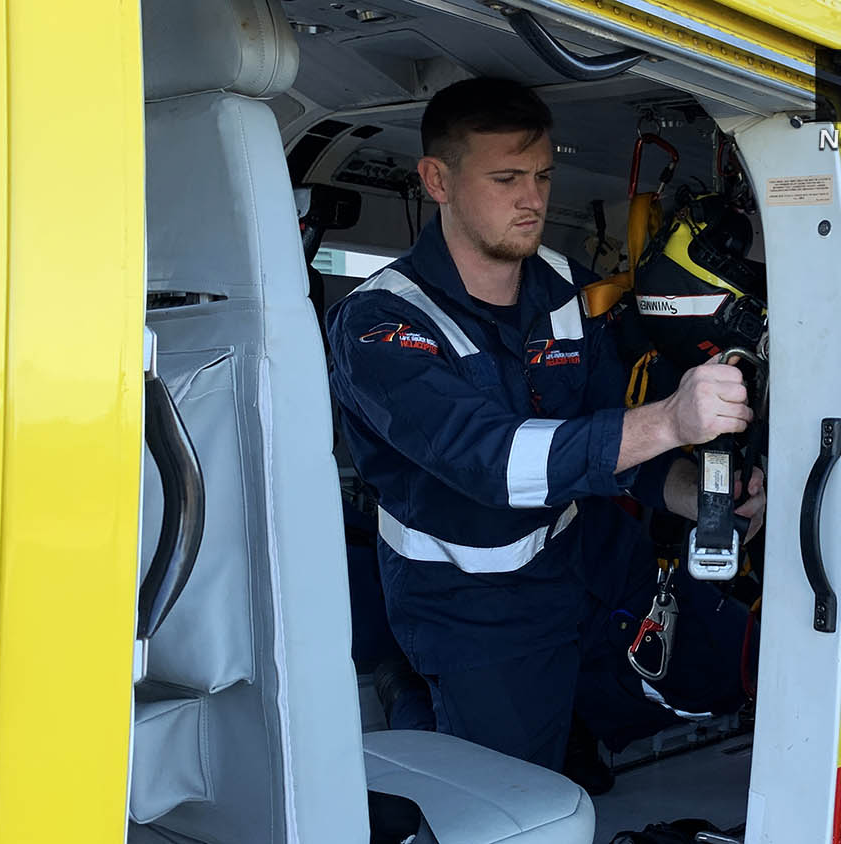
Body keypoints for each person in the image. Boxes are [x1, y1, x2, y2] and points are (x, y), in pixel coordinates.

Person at [325, 77, 764, 779]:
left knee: (727, 667)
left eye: (541, 176)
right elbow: (495, 463)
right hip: (472, 605)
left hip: (586, 557)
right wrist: (672, 419)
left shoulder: (567, 284)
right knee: (510, 795)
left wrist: (695, 492)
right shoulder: (380, 323)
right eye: (505, 178)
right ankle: (411, 691)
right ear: (436, 179)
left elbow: (607, 433)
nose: (532, 198)